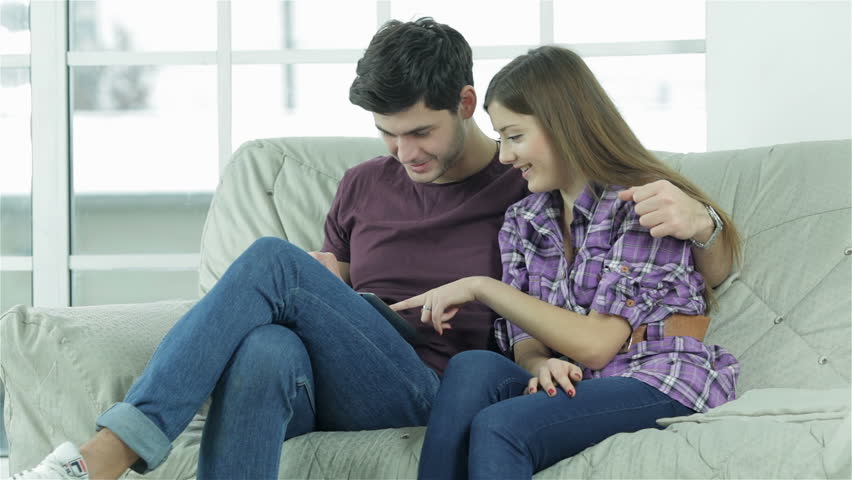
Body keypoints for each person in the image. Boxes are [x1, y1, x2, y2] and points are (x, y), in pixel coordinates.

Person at [13, 20, 733, 480]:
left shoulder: (523, 190)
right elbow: (330, 290)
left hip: (428, 382)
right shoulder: (362, 186)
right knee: (267, 342)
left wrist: (706, 222)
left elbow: (677, 269)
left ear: (464, 103)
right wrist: (318, 286)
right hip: (342, 366)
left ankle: (106, 455)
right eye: (387, 133)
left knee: (270, 261)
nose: (402, 152)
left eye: (419, 132)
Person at [390, 45, 741, 480]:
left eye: (515, 137)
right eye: (501, 139)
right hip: (580, 382)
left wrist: (482, 287)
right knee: (471, 366)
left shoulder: (643, 203)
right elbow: (525, 341)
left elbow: (597, 344)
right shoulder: (524, 220)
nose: (504, 156)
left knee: (501, 427)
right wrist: (539, 364)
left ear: (564, 126)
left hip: (657, 376)